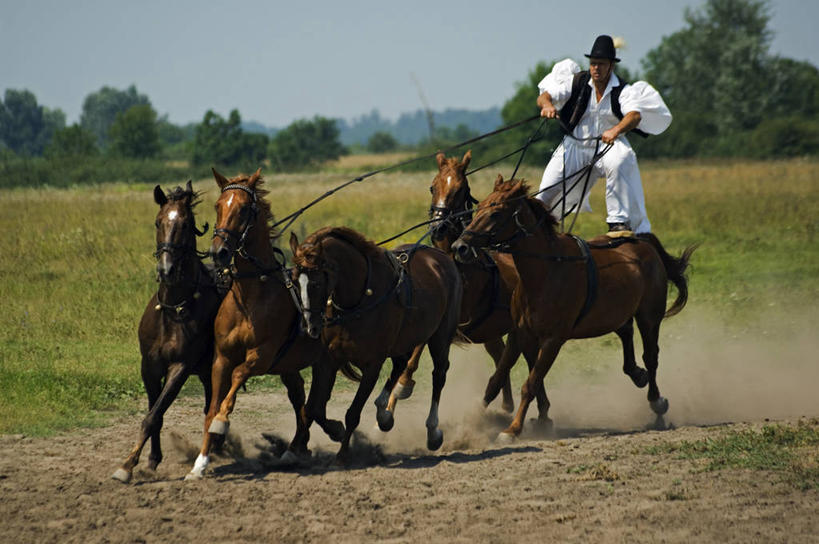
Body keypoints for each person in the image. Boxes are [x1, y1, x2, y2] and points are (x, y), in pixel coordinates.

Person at [535, 35, 672, 235]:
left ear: (611, 66)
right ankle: (535, 227)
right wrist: (547, 106)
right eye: (593, 64)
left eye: (601, 64)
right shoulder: (578, 82)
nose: (596, 68)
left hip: (608, 146)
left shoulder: (623, 90)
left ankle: (618, 222)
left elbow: (634, 116)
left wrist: (616, 130)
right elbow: (545, 96)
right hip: (574, 145)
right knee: (545, 192)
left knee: (622, 158)